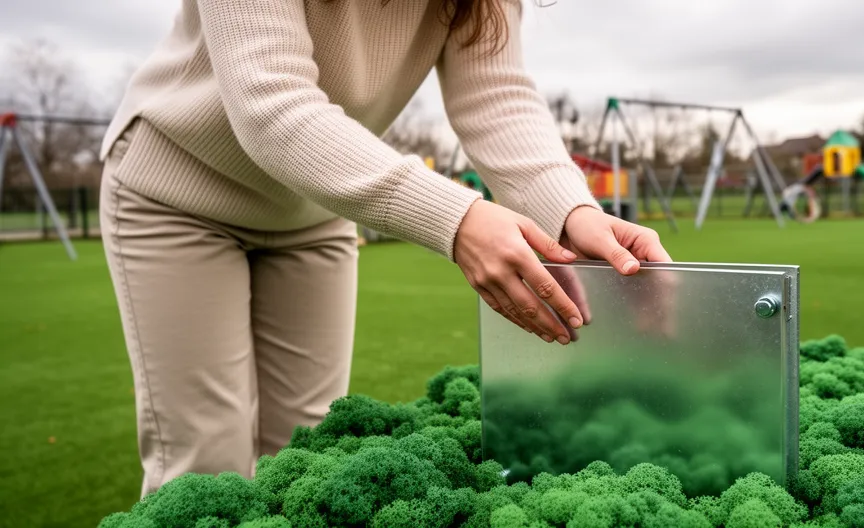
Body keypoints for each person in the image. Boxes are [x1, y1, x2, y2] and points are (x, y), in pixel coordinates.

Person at [98, 0, 672, 497]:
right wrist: (459, 218)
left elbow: (497, 97)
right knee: (205, 463)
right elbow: (270, 102)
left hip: (312, 214)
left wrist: (574, 214)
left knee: (307, 455)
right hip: (177, 192)